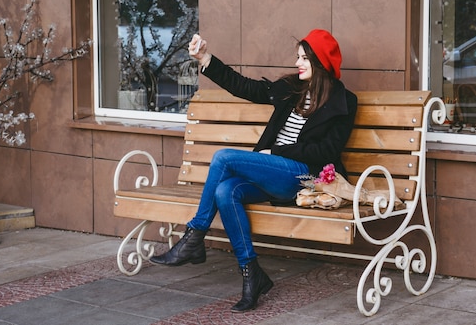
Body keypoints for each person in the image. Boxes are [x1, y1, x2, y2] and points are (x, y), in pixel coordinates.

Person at [150, 29, 358, 313]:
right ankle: (252, 275)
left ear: (321, 62)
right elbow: (245, 87)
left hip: (305, 178)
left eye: (304, 59)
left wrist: (277, 152)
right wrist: (206, 58)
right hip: (274, 173)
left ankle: (194, 237)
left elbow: (327, 152)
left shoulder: (343, 102)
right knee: (226, 191)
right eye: (297, 57)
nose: (298, 63)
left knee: (223, 158)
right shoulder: (291, 88)